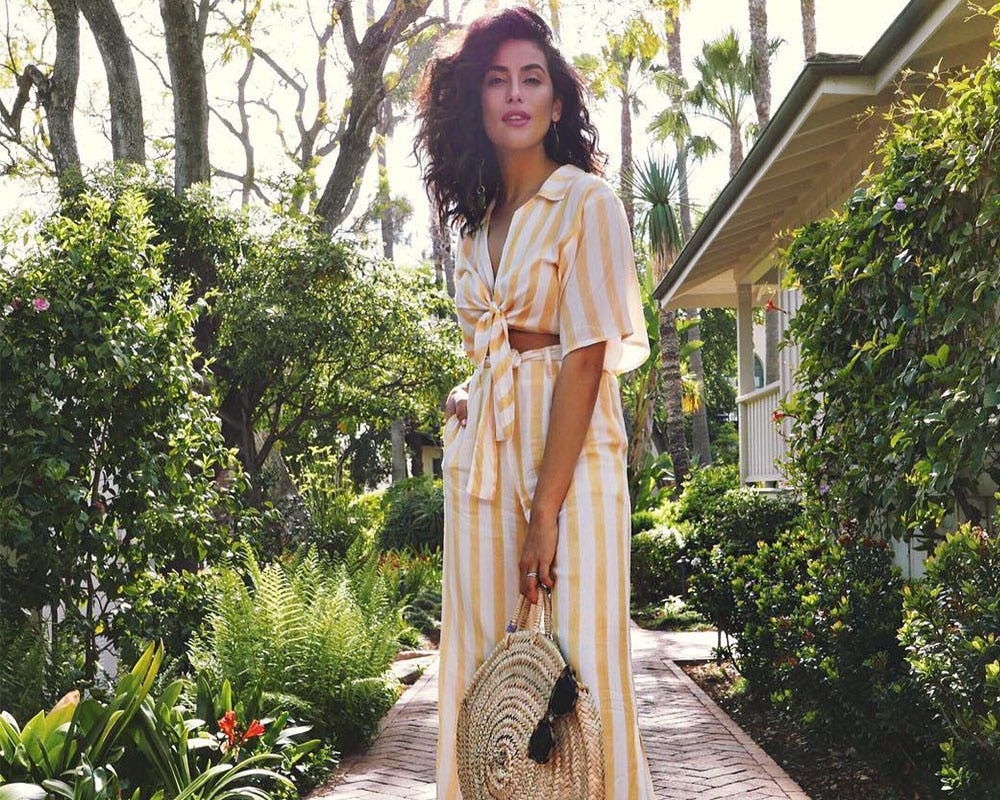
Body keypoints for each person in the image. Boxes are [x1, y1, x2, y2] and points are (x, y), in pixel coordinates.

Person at [414, 7, 655, 799]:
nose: (514, 94)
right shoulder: (476, 225)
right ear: (475, 104)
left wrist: (546, 509)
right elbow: (502, 345)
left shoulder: (589, 203)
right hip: (481, 466)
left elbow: (584, 357)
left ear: (557, 104)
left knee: (580, 661)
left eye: (532, 78)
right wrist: (473, 387)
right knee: (485, 667)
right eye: (496, 79)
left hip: (573, 461)